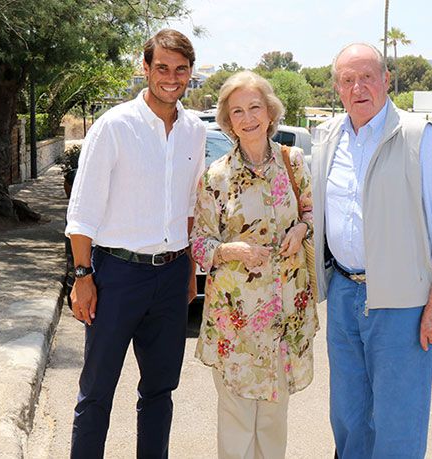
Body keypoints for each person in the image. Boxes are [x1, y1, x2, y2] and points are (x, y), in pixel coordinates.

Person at [310, 43, 432, 458]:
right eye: (347, 79)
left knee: (399, 420)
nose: (358, 87)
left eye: (367, 77)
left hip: (402, 304)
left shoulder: (418, 137)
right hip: (343, 293)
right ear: (337, 89)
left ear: (386, 81)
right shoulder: (326, 140)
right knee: (348, 415)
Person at [65, 29, 206, 458]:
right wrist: (83, 276)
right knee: (97, 392)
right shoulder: (114, 126)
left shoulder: (195, 131)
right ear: (145, 69)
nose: (170, 77)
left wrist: (189, 272)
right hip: (117, 276)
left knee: (160, 392)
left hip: (172, 275)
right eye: (161, 67)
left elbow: (189, 208)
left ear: (190, 75)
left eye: (180, 69)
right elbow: (82, 212)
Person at [190, 70, 318, 459]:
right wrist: (233, 250)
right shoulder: (216, 176)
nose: (248, 118)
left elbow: (310, 214)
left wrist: (301, 229)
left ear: (270, 111)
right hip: (236, 319)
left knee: (273, 419)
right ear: (228, 121)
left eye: (255, 107)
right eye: (238, 111)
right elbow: (199, 244)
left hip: (284, 313)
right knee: (237, 419)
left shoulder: (292, 162)